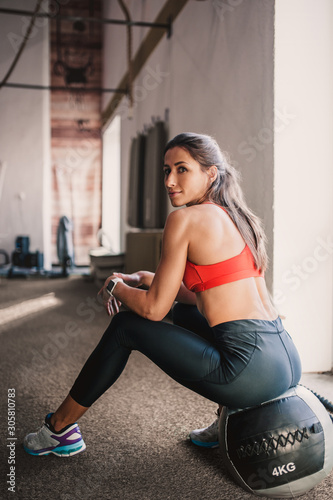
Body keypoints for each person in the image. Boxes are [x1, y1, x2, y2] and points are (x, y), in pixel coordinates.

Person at [23, 132, 302, 456]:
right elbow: (202, 293)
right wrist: (143, 277)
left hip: (249, 373)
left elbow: (154, 309)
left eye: (181, 169)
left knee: (125, 328)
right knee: (185, 312)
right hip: (285, 360)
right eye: (166, 170)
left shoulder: (184, 218)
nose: (170, 180)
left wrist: (116, 286)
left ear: (210, 173)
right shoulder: (238, 216)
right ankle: (230, 414)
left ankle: (59, 430)